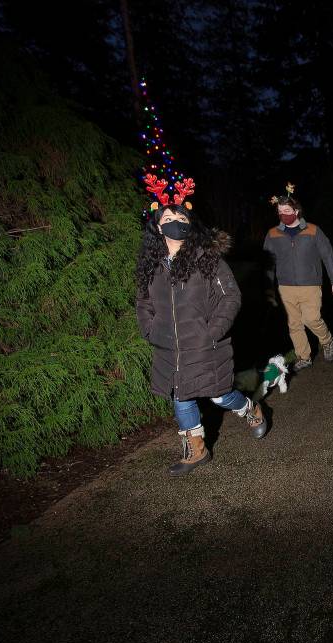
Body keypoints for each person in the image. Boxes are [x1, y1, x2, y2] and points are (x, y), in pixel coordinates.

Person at [136, 174, 267, 477]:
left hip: (205, 344)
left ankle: (249, 408)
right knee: (180, 394)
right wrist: (150, 329)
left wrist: (213, 331)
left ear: (190, 224)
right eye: (168, 218)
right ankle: (196, 450)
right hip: (169, 347)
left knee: (218, 395)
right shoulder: (151, 264)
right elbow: (143, 302)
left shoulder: (207, 259)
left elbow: (231, 297)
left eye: (181, 218)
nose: (175, 222)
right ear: (157, 226)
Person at [263, 183, 333, 370]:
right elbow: (267, 263)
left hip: (310, 285)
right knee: (294, 324)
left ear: (296, 211)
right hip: (285, 287)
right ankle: (304, 356)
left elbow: (328, 256)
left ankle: (327, 340)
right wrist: (267, 287)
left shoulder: (313, 230)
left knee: (312, 319)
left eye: (287, 210)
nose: (283, 214)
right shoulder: (272, 234)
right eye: (280, 211)